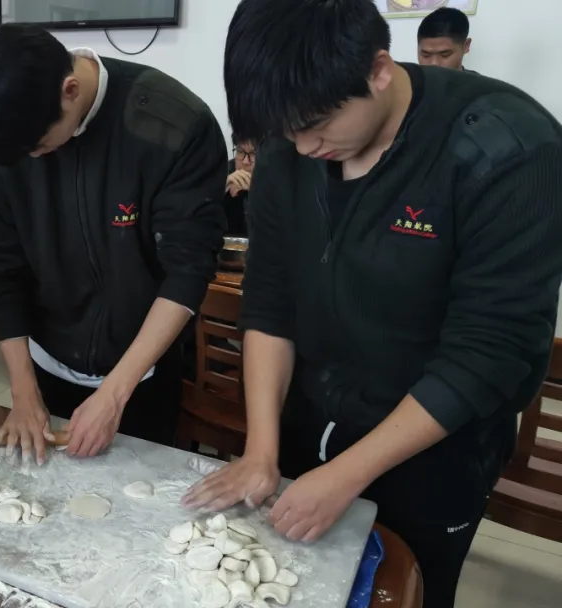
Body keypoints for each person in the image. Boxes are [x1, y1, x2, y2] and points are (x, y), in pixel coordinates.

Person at [184, 1, 562, 607]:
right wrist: (261, 450)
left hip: (434, 449)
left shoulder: (508, 148)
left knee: (406, 591)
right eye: (286, 133)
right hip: (310, 419)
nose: (304, 147)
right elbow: (271, 300)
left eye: (317, 125)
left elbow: (488, 352)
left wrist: (347, 474)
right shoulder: (291, 142)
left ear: (379, 70)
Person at [0, 22, 227, 464]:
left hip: (142, 371)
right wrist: (23, 391)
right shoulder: (7, 138)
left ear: (70, 90)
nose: (31, 159)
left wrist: (114, 395)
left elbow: (187, 270)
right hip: (46, 360)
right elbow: (0, 268)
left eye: (39, 147)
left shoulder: (173, 126)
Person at [417, 7, 474, 72]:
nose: (434, 63)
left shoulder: (478, 79)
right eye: (426, 55)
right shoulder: (409, 78)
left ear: (466, 46)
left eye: (445, 55)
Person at [224, 134, 255, 236]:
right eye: (240, 152)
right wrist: (220, 192)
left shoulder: (277, 181)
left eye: (254, 154)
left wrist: (257, 192)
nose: (245, 161)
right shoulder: (223, 173)